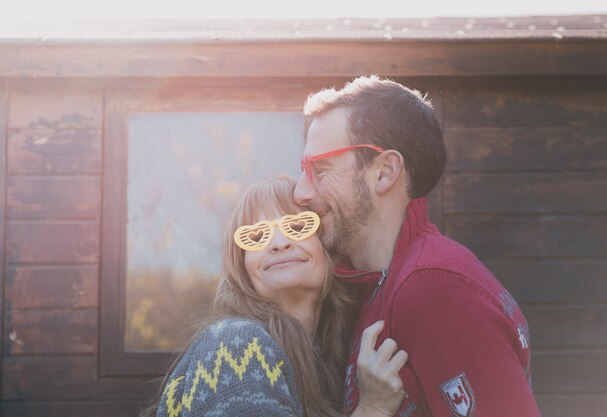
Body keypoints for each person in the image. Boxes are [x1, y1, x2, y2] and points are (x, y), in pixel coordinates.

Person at [294, 75, 540, 417]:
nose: (300, 193)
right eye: (304, 169)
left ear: (385, 171)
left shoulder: (434, 289)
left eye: (321, 169)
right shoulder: (379, 283)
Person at [148, 176, 408, 417]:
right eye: (257, 236)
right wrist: (371, 409)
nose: (278, 243)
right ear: (243, 266)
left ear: (327, 246)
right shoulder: (237, 346)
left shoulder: (330, 358)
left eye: (297, 226)